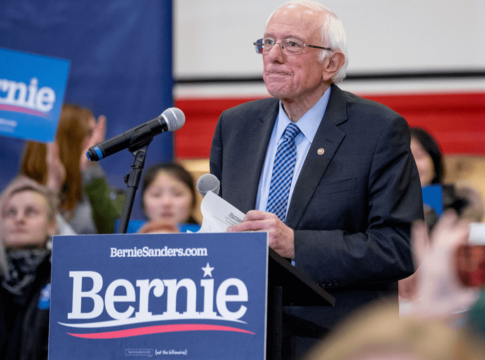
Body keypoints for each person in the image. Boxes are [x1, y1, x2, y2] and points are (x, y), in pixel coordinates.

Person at [210, 0, 423, 357]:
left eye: (291, 44)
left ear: (332, 63)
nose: (273, 56)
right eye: (267, 43)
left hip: (339, 340)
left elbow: (401, 246)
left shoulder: (378, 129)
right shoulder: (235, 125)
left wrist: (296, 245)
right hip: (242, 331)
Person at [21, 104, 124, 234]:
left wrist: (90, 169)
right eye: (90, 134)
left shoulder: (95, 190)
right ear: (66, 143)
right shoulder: (14, 200)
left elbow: (114, 233)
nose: (96, 141)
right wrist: (53, 188)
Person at [0, 176, 58, 360]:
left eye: (30, 211)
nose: (19, 219)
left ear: (52, 225)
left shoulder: (65, 277)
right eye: (10, 213)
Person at [139, 162, 200, 233]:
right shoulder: (125, 231)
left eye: (177, 194)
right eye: (156, 194)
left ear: (193, 200)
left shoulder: (210, 236)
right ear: (143, 201)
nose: (166, 202)